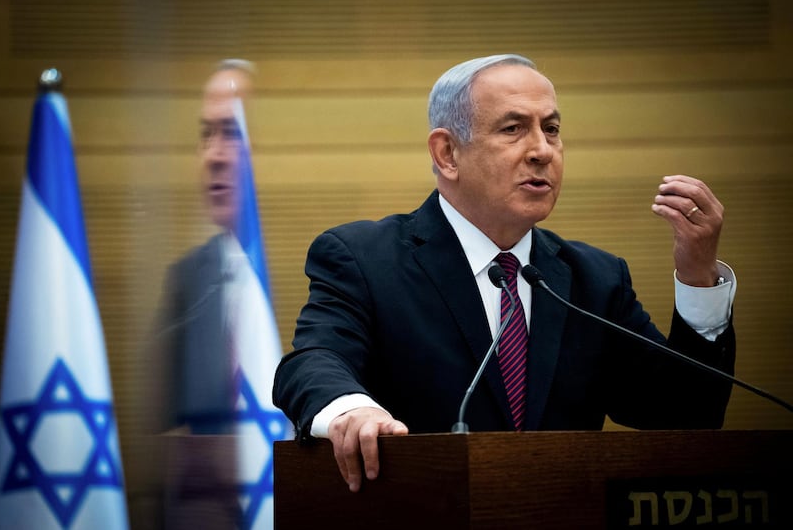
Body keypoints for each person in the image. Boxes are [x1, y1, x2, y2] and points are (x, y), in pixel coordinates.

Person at [272, 54, 737, 494]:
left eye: (552, 130)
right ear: (447, 153)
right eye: (513, 129)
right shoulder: (364, 259)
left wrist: (698, 274)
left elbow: (685, 412)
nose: (542, 150)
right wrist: (351, 410)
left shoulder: (595, 279)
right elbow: (312, 361)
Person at [148, 60, 288, 529]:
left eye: (231, 132)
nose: (213, 155)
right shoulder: (188, 280)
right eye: (206, 135)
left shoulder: (334, 271)